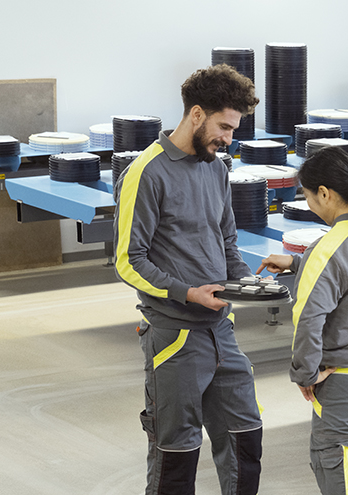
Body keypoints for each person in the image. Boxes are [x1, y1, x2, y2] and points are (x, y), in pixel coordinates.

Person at [113, 64, 263, 495]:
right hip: (174, 338)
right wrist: (187, 293)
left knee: (245, 439)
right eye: (223, 126)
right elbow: (128, 260)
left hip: (222, 332)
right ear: (196, 115)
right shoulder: (147, 172)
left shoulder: (217, 168)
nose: (228, 138)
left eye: (234, 129)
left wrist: (247, 281)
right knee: (176, 454)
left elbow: (227, 240)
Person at [257, 146, 348, 494]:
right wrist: (297, 263)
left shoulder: (328, 250)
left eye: (307, 197)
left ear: (324, 193)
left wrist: (305, 374)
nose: (309, 204)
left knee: (344, 483)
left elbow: (308, 321)